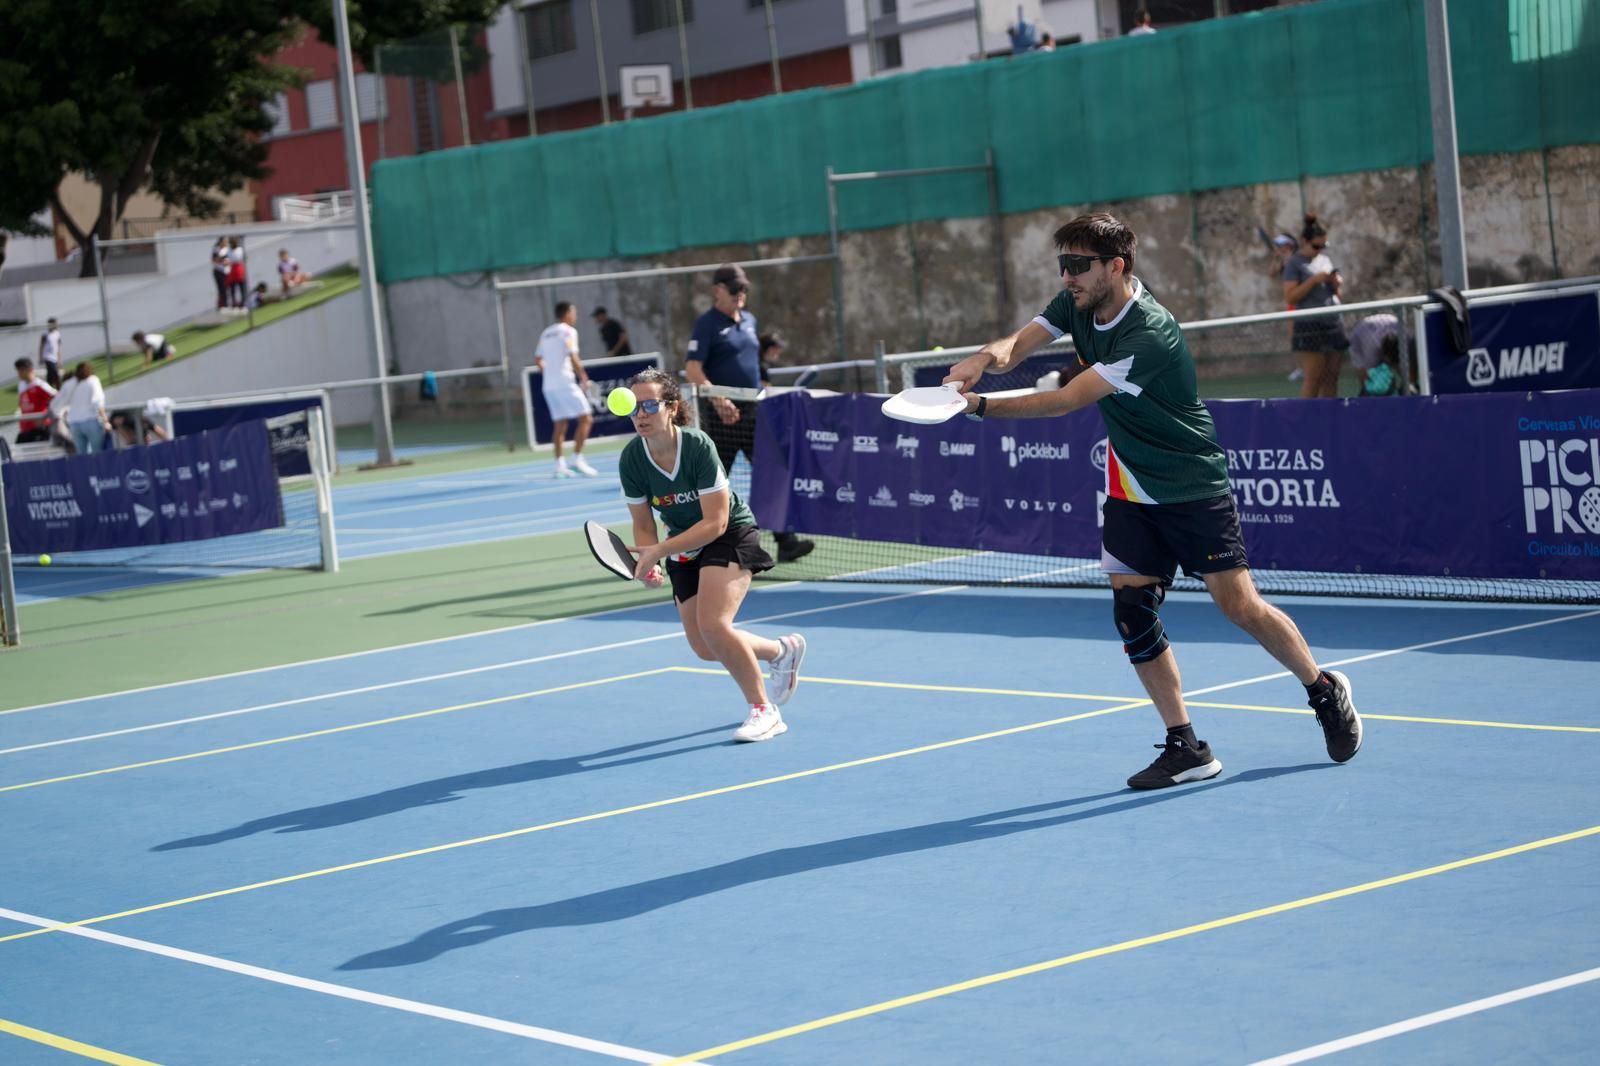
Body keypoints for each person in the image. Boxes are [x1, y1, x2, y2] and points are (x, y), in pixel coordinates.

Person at [942, 212, 1362, 790]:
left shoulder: (1150, 333)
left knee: (1240, 607)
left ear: (1116, 267)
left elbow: (1066, 401)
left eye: (1078, 266)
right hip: (1130, 485)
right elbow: (1017, 344)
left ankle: (1322, 688)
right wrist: (980, 361)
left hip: (1189, 482)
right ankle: (1186, 744)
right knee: (1132, 612)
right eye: (1063, 266)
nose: (1067, 277)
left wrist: (979, 407)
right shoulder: (1077, 302)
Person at [619, 368, 806, 743]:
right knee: (705, 646)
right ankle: (780, 651)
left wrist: (660, 549)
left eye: (649, 405)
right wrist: (651, 560)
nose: (640, 414)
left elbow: (716, 522)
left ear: (671, 408)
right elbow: (643, 525)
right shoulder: (632, 460)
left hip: (730, 533)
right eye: (633, 407)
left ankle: (764, 710)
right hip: (683, 547)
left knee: (715, 625)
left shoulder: (698, 445)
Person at [684, 263, 814, 562]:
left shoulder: (750, 320)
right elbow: (693, 369)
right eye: (734, 289)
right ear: (718, 291)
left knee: (773, 471)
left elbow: (749, 362)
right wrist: (718, 400)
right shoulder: (707, 325)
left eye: (744, 289)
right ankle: (689, 544)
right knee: (712, 482)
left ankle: (786, 541)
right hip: (722, 416)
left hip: (754, 413)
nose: (740, 294)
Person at [1282, 214, 1348, 398]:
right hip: (1310, 325)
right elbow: (1290, 296)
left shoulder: (1325, 260)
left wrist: (1335, 284)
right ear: (1304, 241)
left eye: (1324, 246)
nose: (1320, 250)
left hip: (1333, 321)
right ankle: (1306, 421)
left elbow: (1337, 294)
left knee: (1332, 377)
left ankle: (1329, 419)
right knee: (1314, 377)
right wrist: (1313, 281)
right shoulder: (1294, 264)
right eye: (1316, 246)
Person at [534, 301, 597, 477]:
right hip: (565, 383)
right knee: (586, 419)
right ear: (567, 313)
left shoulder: (546, 333)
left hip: (549, 386)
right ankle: (577, 459)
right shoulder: (569, 331)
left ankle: (559, 465)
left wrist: (550, 372)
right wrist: (584, 377)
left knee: (560, 424)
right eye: (574, 312)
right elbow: (573, 355)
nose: (575, 316)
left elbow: (538, 360)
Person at [55, 362, 111, 454]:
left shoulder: (69, 383)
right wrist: (105, 420)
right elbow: (97, 401)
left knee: (82, 455)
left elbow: (59, 401)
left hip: (74, 424)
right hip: (91, 421)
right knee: (97, 454)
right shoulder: (93, 380)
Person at [12, 357, 57, 444]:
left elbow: (58, 398)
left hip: (40, 429)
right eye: (18, 371)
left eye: (21, 370)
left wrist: (45, 416)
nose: (19, 374)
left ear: (29, 369)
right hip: (25, 428)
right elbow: (22, 404)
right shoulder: (21, 386)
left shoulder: (40, 385)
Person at [38, 316, 63, 388]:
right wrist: (40, 358)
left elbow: (58, 348)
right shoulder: (45, 334)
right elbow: (41, 347)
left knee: (50, 375)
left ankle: (48, 388)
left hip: (54, 358)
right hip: (47, 357)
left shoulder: (57, 334)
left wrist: (59, 360)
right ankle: (59, 388)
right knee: (55, 373)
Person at [226, 236, 247, 309]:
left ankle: (243, 303)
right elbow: (228, 259)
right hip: (232, 269)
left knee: (242, 287)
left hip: (239, 268)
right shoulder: (229, 250)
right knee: (232, 288)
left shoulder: (240, 249)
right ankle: (234, 303)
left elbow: (243, 258)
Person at [211, 237, 231, 310]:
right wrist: (222, 259)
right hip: (218, 271)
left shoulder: (227, 249)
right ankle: (222, 305)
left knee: (227, 289)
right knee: (221, 289)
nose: (226, 243)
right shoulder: (216, 249)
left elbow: (229, 260)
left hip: (226, 271)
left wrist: (226, 261)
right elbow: (214, 260)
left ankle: (227, 304)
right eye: (224, 241)